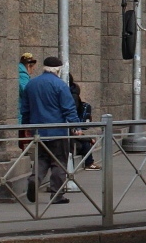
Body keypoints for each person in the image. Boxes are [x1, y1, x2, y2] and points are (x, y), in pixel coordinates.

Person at [20, 56, 79, 204]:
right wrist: (76, 126)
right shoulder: (59, 85)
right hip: (57, 130)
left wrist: (26, 127)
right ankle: (56, 194)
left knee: (42, 160)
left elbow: (25, 109)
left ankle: (34, 180)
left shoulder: (31, 84)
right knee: (59, 162)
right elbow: (68, 108)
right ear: (58, 70)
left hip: (38, 131)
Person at [69, 74, 98, 170]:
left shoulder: (72, 95)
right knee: (84, 143)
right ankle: (89, 163)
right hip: (68, 133)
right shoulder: (73, 95)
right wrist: (89, 139)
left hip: (68, 130)